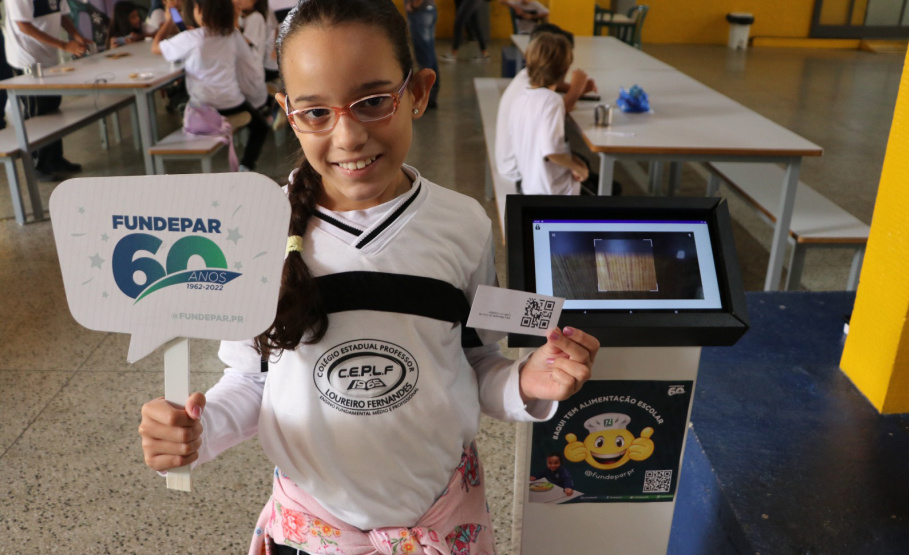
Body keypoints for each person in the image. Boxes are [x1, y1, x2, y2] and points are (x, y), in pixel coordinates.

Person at [137, 1, 599, 553]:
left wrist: (527, 382)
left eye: (375, 101)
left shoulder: (463, 225)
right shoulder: (254, 231)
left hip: (440, 521)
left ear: (420, 92)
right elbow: (252, 381)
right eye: (316, 112)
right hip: (314, 534)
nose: (349, 135)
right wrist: (197, 430)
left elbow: (474, 363)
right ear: (288, 111)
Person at [152, 0, 268, 171]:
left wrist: (170, 19)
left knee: (185, 96)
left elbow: (155, 48)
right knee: (261, 127)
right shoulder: (233, 35)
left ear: (199, 11)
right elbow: (249, 67)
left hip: (202, 108)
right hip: (232, 104)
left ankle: (184, 107)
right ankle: (246, 166)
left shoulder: (191, 38)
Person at [495, 24, 594, 191]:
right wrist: (578, 169)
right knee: (595, 178)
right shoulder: (552, 101)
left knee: (578, 159)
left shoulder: (525, 91)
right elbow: (551, 152)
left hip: (528, 178)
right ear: (565, 67)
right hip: (545, 189)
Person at [2, 0, 88, 181]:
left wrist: (76, 36)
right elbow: (23, 26)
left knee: (52, 109)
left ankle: (54, 159)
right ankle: (37, 165)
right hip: (27, 57)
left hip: (48, 54)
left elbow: (62, 15)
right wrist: (64, 45)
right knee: (37, 113)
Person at [404, 0, 438, 108]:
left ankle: (427, 98)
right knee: (429, 54)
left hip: (420, 12)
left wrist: (414, 6)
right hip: (428, 10)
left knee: (424, 56)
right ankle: (431, 96)